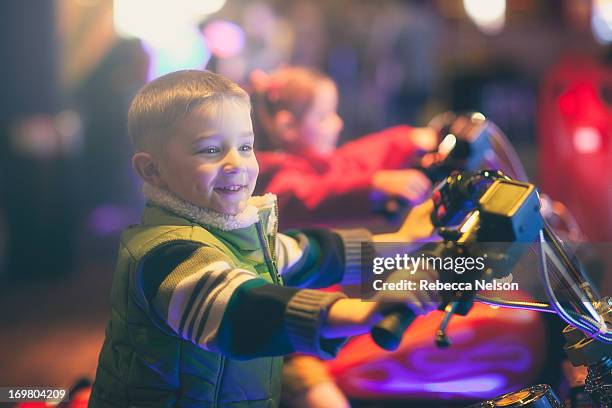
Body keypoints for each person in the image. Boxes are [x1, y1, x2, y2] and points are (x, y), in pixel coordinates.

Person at [88, 70, 438, 408]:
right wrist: (360, 313)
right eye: (210, 150)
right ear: (153, 170)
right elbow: (243, 309)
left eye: (245, 146)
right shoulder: (165, 254)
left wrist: (404, 240)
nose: (235, 164)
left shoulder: (237, 230)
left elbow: (314, 254)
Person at [250, 66, 437, 229]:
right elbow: (314, 196)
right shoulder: (273, 179)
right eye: (324, 116)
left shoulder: (308, 163)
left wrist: (409, 140)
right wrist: (375, 185)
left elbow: (349, 161)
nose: (338, 123)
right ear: (288, 126)